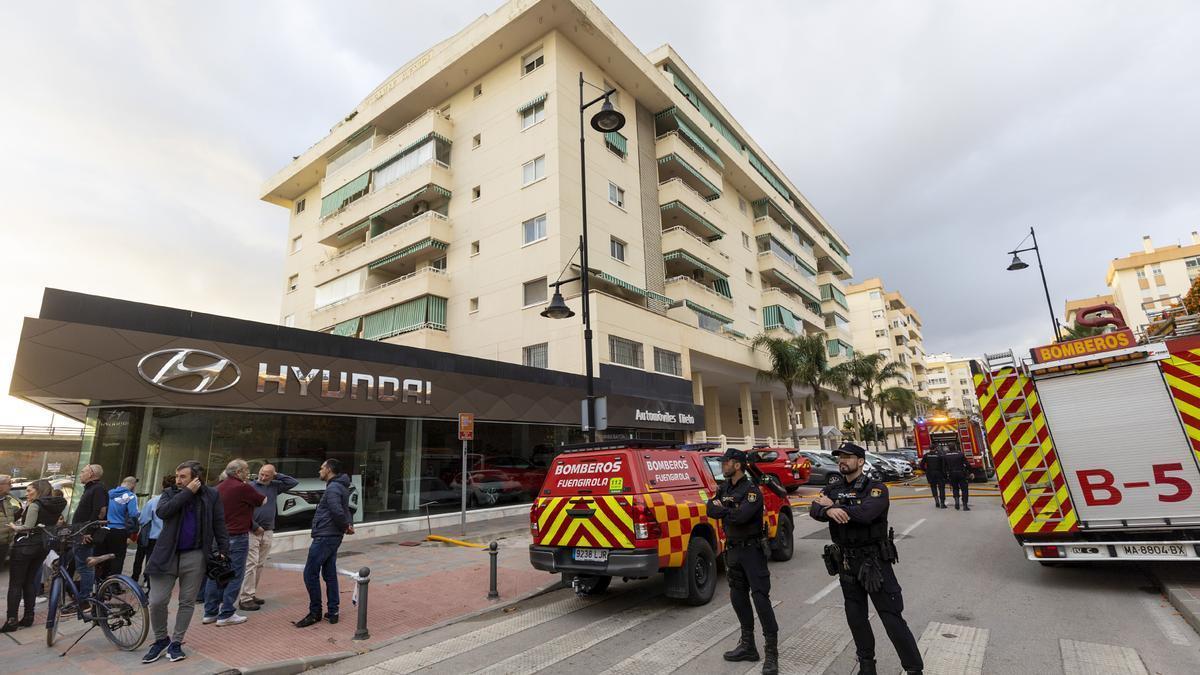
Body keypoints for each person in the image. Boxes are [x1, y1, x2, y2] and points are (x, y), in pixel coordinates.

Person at [811, 442, 923, 675]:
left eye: (847, 457)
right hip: (846, 562)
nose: (842, 460)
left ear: (860, 461)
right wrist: (829, 510)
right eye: (840, 457)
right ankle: (866, 666)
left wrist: (834, 506)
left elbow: (866, 515)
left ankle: (914, 669)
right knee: (856, 617)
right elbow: (815, 509)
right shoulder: (832, 488)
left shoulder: (876, 488)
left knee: (891, 617)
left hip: (874, 562)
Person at [142, 461, 230, 664]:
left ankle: (177, 643)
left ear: (196, 478)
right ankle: (161, 639)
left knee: (187, 601)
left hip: (196, 555)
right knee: (157, 601)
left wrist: (224, 549)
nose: (178, 480)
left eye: (183, 476)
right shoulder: (170, 493)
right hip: (166, 555)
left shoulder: (212, 495)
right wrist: (186, 493)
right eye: (177, 476)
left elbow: (219, 522)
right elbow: (163, 513)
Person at [707, 448, 779, 675]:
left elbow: (741, 517)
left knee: (760, 600)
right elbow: (710, 508)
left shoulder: (751, 491)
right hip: (733, 551)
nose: (722, 465)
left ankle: (771, 654)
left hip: (752, 551)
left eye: (725, 462)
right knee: (739, 599)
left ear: (736, 465)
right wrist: (729, 509)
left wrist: (724, 510)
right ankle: (748, 646)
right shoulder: (724, 487)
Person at [202, 459, 265, 627]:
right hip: (237, 536)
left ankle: (210, 612)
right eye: (246, 470)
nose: (248, 473)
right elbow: (262, 500)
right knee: (235, 574)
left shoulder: (218, 488)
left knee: (215, 573)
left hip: (218, 536)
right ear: (238, 472)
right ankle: (227, 613)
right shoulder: (242, 487)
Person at [295, 458, 353, 628]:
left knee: (310, 573)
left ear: (328, 469)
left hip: (325, 536)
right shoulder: (340, 486)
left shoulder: (334, 488)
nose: (319, 471)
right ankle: (333, 612)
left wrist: (344, 525)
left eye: (321, 468)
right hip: (332, 535)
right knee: (329, 573)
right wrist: (347, 526)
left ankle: (315, 612)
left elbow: (337, 510)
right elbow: (345, 509)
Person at [2, 479, 66, 632]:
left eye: (29, 490)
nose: (27, 493)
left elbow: (28, 527)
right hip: (41, 546)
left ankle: (11, 620)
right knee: (29, 582)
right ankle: (29, 617)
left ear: (39, 490)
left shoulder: (35, 505)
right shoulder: (55, 504)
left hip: (25, 546)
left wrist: (13, 527)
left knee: (16, 584)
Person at [239, 463, 298, 611]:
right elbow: (243, 509)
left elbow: (293, 482)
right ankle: (245, 597)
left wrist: (277, 475)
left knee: (259, 564)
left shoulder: (274, 486)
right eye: (261, 474)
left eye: (267, 475)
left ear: (273, 476)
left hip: (268, 530)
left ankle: (251, 594)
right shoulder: (250, 487)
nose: (263, 477)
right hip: (252, 530)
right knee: (251, 564)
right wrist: (253, 526)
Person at [71, 464, 107, 598]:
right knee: (80, 565)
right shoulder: (90, 489)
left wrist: (88, 532)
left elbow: (100, 511)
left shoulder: (98, 489)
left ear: (91, 474)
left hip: (84, 535)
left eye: (83, 472)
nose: (80, 474)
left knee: (85, 567)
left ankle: (85, 598)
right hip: (78, 532)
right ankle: (80, 594)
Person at [132, 476, 174, 586]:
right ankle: (154, 583)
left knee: (143, 558)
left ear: (162, 486)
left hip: (152, 536)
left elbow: (143, 519)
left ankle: (138, 579)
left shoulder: (154, 501)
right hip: (167, 537)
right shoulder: (177, 501)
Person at [98, 476, 139, 581]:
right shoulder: (130, 496)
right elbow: (133, 513)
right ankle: (113, 584)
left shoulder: (109, 493)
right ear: (133, 485)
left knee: (105, 556)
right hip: (119, 530)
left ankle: (101, 581)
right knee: (118, 558)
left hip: (105, 529)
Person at [941, 446, 972, 511]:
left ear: (949, 448)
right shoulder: (960, 454)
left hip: (952, 474)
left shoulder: (945, 455)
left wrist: (945, 476)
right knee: (964, 489)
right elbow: (967, 464)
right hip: (961, 473)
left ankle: (957, 501)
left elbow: (943, 467)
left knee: (955, 488)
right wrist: (970, 471)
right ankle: (965, 505)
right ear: (955, 447)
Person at [0, 475, 20, 571]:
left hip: (4, 543)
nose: (11, 486)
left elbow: (10, 519)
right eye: (9, 484)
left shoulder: (7, 500)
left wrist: (23, 511)